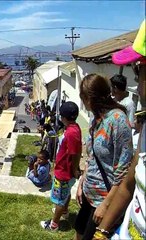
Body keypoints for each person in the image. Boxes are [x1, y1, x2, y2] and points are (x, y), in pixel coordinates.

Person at [91, 20, 145, 240]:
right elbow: (129, 184)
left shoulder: (123, 114)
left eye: (140, 72)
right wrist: (102, 232)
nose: (138, 85)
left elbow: (122, 168)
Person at [73, 74, 133, 240]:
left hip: (103, 199)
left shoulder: (117, 120)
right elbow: (92, 156)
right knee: (78, 230)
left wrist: (105, 205)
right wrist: (82, 181)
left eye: (83, 97)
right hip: (88, 193)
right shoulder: (96, 118)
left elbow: (124, 169)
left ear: (91, 98)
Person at [41, 101, 82, 231]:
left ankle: (53, 224)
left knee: (59, 199)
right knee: (66, 192)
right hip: (64, 169)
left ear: (63, 117)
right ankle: (64, 211)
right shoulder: (74, 128)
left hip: (64, 172)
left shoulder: (71, 133)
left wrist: (74, 169)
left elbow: (75, 153)